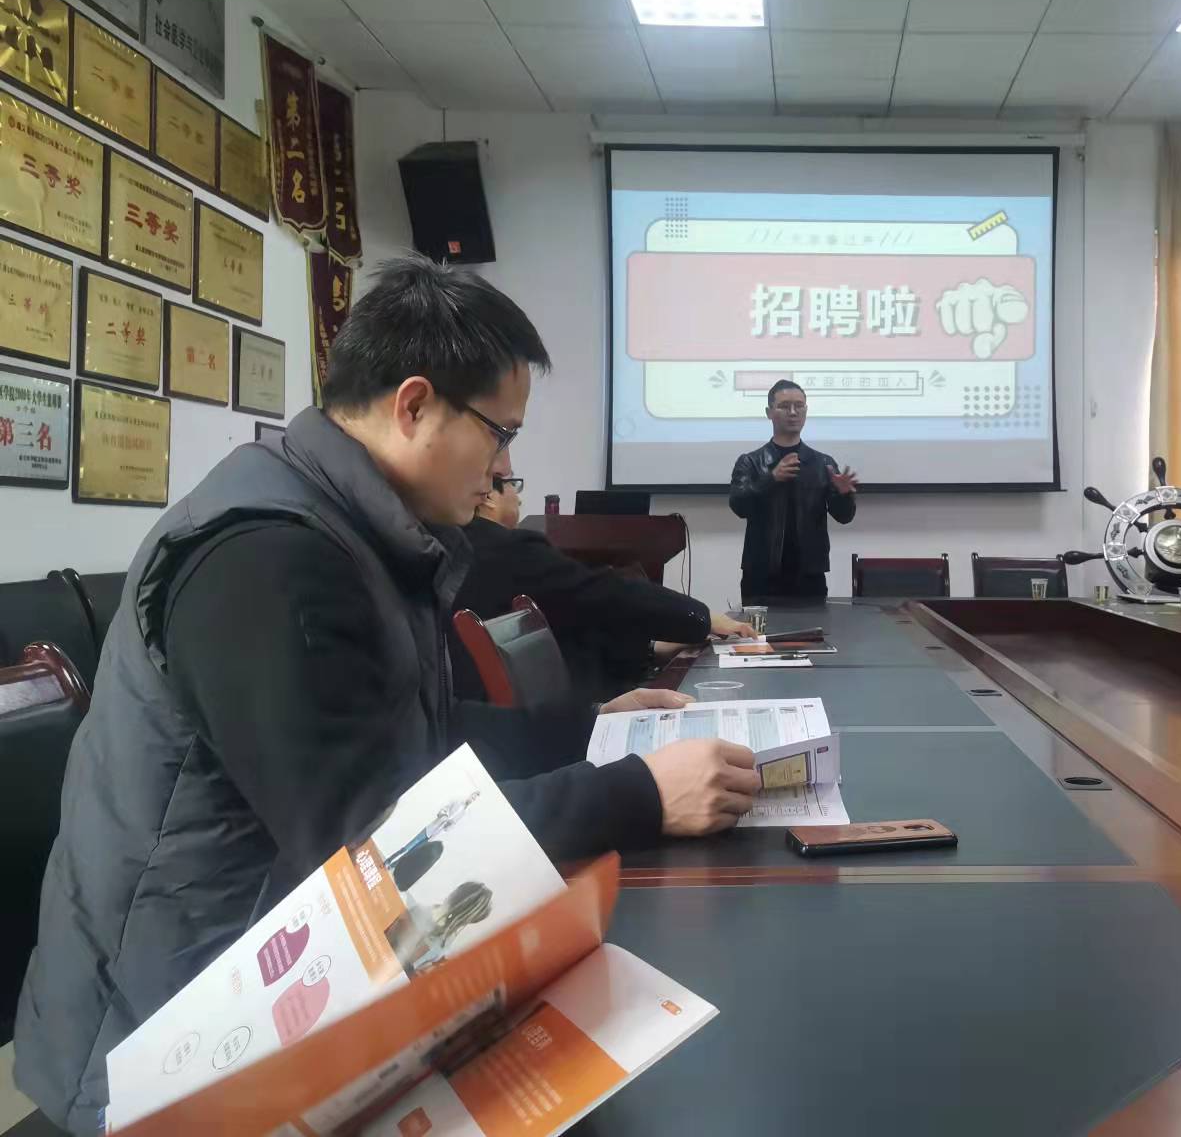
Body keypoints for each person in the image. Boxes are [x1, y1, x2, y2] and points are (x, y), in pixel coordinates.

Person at [16, 255, 761, 1135]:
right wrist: (637, 794)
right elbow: (375, 850)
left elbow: (407, 735)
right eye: (499, 433)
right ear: (414, 406)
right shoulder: (268, 560)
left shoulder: (353, 526)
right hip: (169, 1053)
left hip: (274, 990)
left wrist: (590, 728)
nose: (504, 467)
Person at [453, 468, 756, 705]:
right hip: (561, 720)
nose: (519, 498)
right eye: (512, 485)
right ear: (488, 496)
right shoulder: (505, 549)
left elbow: (571, 623)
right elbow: (603, 593)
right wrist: (702, 617)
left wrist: (650, 650)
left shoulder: (455, 544)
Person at [730, 380, 858, 603]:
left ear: (806, 411)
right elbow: (739, 506)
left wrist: (844, 494)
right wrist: (771, 478)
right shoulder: (750, 461)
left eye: (799, 406)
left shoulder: (823, 463)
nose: (792, 412)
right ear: (769, 412)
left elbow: (844, 517)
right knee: (760, 627)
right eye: (784, 406)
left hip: (809, 575)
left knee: (814, 626)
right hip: (761, 574)